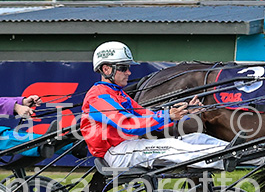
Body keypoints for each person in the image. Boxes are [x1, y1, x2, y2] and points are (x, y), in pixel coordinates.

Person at [80, 41, 230, 170]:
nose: (129, 72)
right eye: (123, 68)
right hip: (116, 153)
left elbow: (147, 116)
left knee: (195, 138)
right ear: (106, 69)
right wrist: (167, 115)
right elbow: (128, 125)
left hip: (130, 146)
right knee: (171, 146)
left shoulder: (118, 93)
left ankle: (233, 150)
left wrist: (183, 113)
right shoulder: (98, 96)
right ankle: (223, 159)